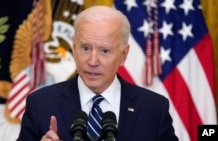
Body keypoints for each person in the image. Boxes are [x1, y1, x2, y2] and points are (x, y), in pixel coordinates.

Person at [17, 5, 179, 141]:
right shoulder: (40, 104)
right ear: (74, 49)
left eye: (105, 51)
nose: (93, 61)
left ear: (123, 56)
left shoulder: (153, 108)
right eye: (85, 48)